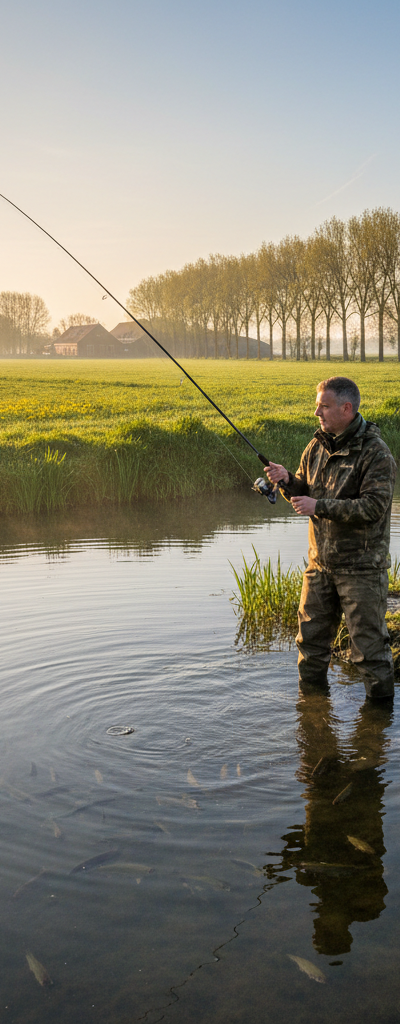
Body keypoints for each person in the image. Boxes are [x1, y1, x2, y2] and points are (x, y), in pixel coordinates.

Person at [266, 376, 396, 699]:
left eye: (323, 406)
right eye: (317, 405)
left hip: (362, 571)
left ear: (346, 408)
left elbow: (373, 507)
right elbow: (304, 493)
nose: (317, 413)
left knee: (370, 653)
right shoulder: (316, 447)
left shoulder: (376, 453)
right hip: (319, 567)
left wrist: (318, 506)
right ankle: (312, 719)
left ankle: (378, 733)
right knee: (309, 646)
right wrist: (287, 482)